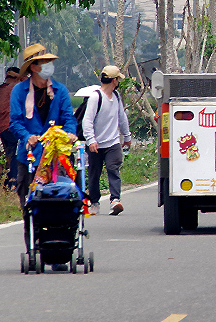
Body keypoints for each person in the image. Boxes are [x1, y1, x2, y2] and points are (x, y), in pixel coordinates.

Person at [10, 43, 78, 260]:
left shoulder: (60, 90)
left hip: (57, 157)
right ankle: (32, 247)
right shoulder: (19, 92)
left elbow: (68, 117)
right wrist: (26, 136)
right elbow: (15, 122)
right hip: (30, 156)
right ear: (33, 67)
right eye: (44, 62)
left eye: (50, 62)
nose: (49, 66)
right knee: (30, 205)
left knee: (61, 202)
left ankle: (61, 248)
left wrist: (69, 134)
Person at [83, 65, 132, 215]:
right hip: (96, 144)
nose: (118, 82)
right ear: (114, 80)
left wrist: (127, 136)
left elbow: (121, 118)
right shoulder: (95, 97)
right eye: (118, 79)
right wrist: (91, 140)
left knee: (113, 169)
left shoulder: (116, 96)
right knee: (94, 173)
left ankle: (115, 200)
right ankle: (95, 202)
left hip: (112, 142)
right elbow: (87, 121)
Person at [0, 67, 24, 189]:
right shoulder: (14, 88)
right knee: (16, 157)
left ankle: (10, 182)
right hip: (12, 128)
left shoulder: (1, 90)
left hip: (3, 129)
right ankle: (14, 183)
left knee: (10, 156)